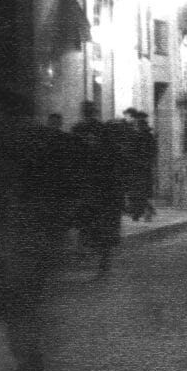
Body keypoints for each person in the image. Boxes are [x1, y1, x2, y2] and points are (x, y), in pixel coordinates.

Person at [0, 97, 81, 371]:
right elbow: (73, 184)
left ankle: (28, 359)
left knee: (14, 299)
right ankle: (33, 357)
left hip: (18, 227)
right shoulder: (57, 141)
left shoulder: (5, 142)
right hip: (47, 228)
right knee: (31, 295)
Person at [71, 100, 125, 274]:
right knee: (91, 220)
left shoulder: (95, 130)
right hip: (92, 184)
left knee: (96, 221)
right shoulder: (82, 130)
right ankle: (95, 255)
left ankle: (99, 256)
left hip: (98, 185)